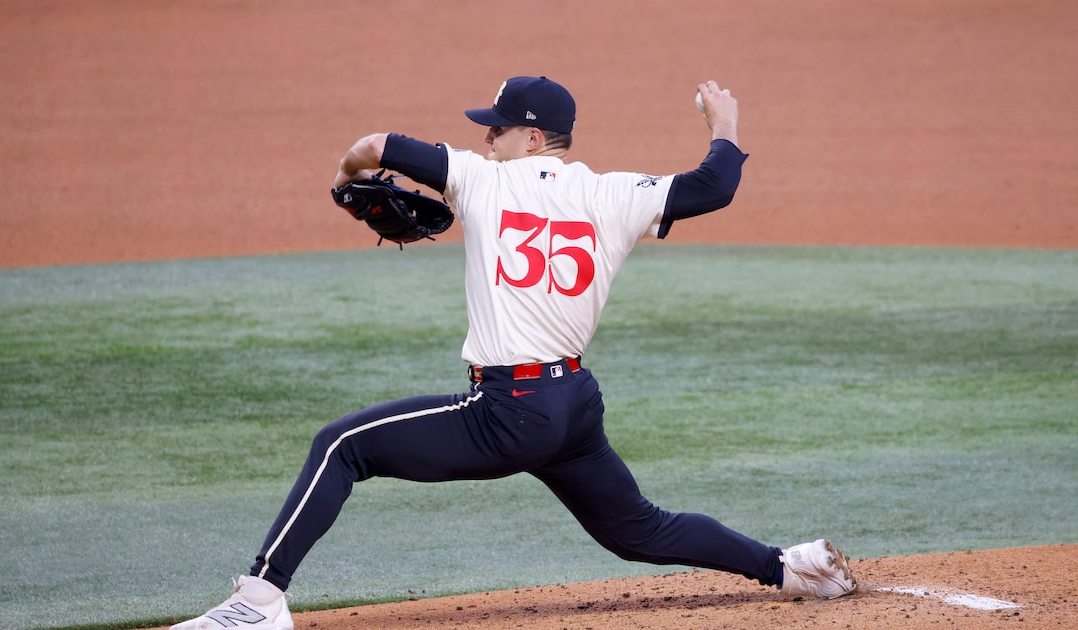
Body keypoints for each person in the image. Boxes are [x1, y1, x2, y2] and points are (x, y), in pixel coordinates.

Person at [170, 76, 855, 630]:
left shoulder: (480, 179)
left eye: (494, 127)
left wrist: (345, 183)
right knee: (636, 529)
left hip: (509, 411)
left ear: (530, 135)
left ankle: (260, 599)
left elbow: (373, 144)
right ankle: (791, 568)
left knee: (341, 444)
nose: (485, 138)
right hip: (574, 407)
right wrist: (723, 123)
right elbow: (715, 186)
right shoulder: (613, 192)